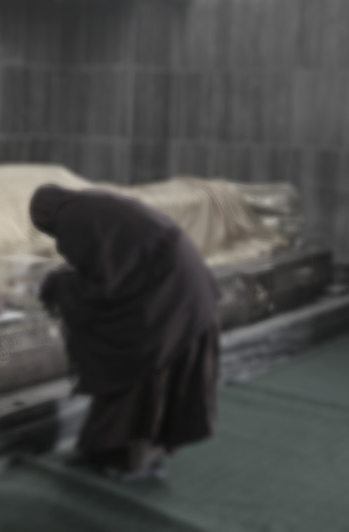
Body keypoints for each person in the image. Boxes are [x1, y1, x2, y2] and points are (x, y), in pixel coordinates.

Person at [29, 184, 220, 481]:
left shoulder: (71, 222)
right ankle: (101, 449)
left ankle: (135, 460)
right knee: (127, 369)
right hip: (181, 282)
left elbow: (103, 286)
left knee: (139, 366)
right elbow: (114, 267)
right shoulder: (92, 203)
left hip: (170, 295)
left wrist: (55, 287)